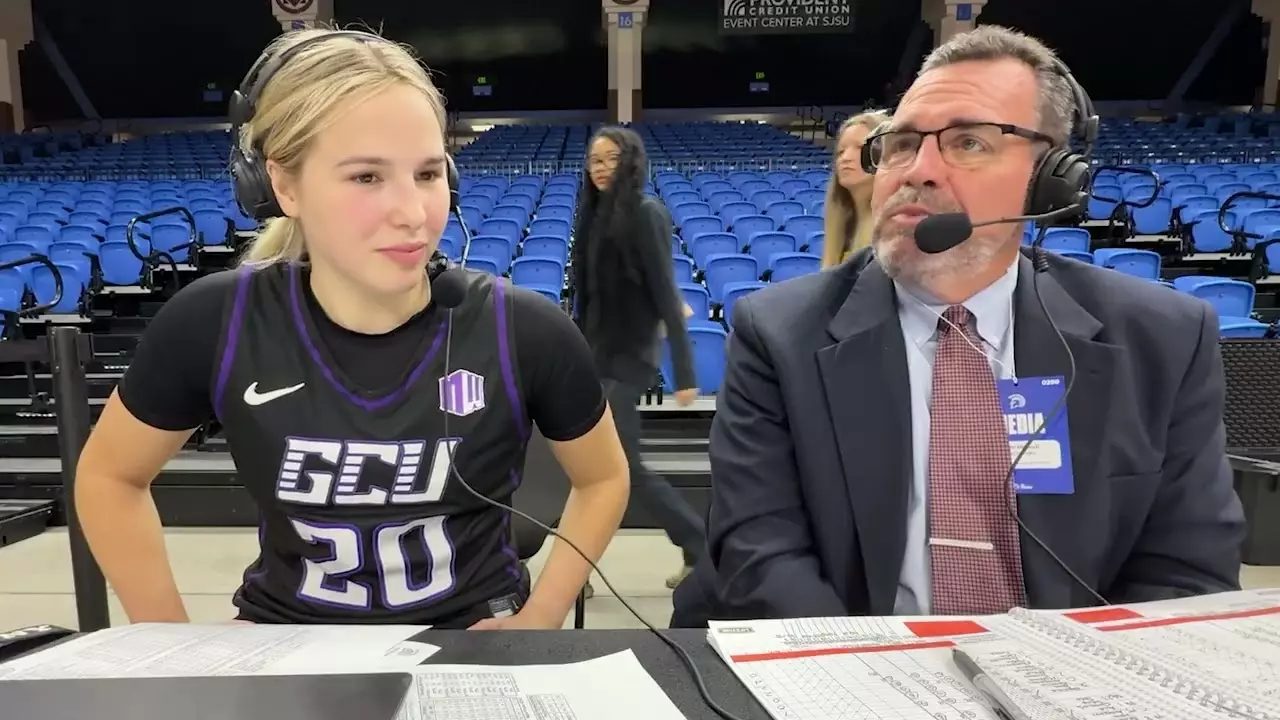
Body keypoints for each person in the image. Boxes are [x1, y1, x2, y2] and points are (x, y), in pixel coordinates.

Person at [671, 25, 1245, 626]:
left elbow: (1187, 570)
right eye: (901, 144)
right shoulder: (779, 332)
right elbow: (760, 556)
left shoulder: (1165, 338)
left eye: (967, 142)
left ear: (1051, 174)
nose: (917, 170)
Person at [74, 29, 630, 630]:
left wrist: (540, 617)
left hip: (475, 641)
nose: (413, 212)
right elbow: (110, 476)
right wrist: (171, 638)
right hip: (284, 639)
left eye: (426, 174)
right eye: (366, 177)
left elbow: (603, 478)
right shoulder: (216, 321)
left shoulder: (524, 328)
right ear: (282, 185)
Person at [571, 126, 705, 592]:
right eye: (595, 160)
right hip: (595, 357)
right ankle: (693, 547)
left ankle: (701, 546)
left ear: (630, 162)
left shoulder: (647, 214)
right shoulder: (589, 217)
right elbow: (583, 298)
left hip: (630, 359)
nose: (602, 168)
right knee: (591, 465)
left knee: (619, 466)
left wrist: (684, 372)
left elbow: (667, 294)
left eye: (611, 159)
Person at [821, 110, 891, 269]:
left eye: (860, 147)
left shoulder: (896, 231)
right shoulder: (840, 226)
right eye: (841, 151)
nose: (845, 158)